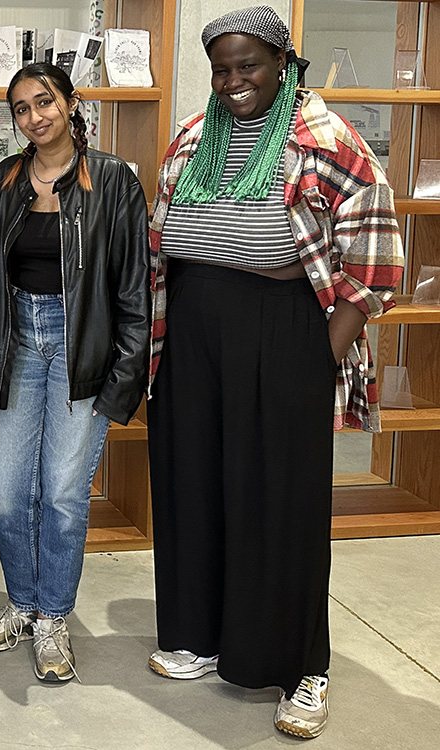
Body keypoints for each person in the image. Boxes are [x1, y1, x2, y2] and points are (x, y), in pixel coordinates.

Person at [146, 6, 404, 739]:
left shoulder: (327, 138)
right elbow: (164, 239)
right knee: (193, 482)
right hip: (194, 326)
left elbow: (377, 263)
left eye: (248, 66)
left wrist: (318, 356)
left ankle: (300, 668)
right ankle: (201, 635)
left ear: (283, 62)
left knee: (280, 501)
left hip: (285, 329)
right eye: (222, 69)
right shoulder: (194, 138)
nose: (234, 82)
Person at [0, 63, 151, 682]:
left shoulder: (116, 180)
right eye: (21, 108)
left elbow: (133, 286)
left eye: (44, 101)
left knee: (65, 497)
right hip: (15, 343)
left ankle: (53, 617)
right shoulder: (5, 179)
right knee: (12, 494)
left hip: (83, 348)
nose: (35, 116)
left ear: (71, 103)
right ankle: (21, 601)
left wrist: (123, 376)